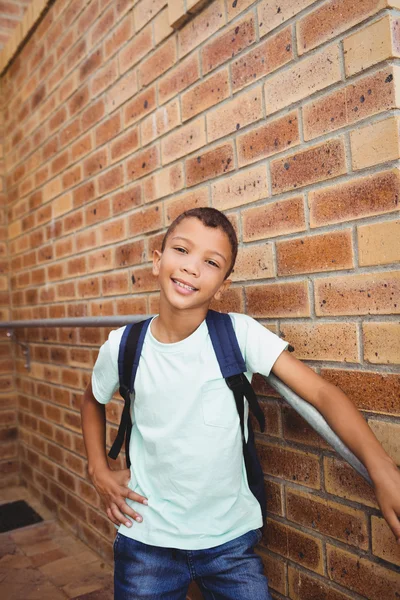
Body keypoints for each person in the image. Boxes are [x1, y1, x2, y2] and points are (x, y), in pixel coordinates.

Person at [81, 207, 400, 600]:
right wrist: (99, 469)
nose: (191, 268)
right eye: (181, 250)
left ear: (222, 284)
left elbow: (321, 393)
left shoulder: (238, 334)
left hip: (230, 543)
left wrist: (381, 469)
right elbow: (91, 400)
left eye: (210, 262)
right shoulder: (123, 346)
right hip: (146, 541)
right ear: (156, 261)